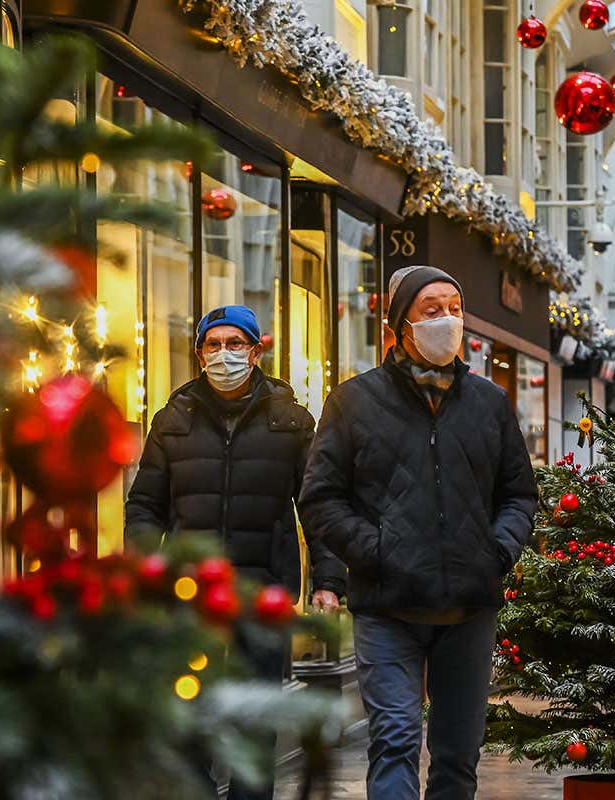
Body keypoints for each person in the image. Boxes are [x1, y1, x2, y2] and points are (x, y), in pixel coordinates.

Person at [299, 265, 539, 800]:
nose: (447, 320)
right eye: (432, 311)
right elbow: (320, 497)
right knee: (395, 740)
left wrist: (495, 551)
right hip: (388, 606)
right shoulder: (353, 402)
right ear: (399, 327)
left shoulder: (488, 404)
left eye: (454, 308)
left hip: (469, 606)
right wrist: (376, 553)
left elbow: (519, 494)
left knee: (458, 754)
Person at [124, 304, 345, 800]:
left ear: (255, 350)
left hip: (261, 594)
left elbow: (317, 507)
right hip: (189, 596)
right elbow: (145, 507)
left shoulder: (290, 422)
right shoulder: (172, 419)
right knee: (189, 717)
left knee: (256, 719)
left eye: (235, 344)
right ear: (199, 353)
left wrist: (329, 581)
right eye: (213, 345)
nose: (224, 355)